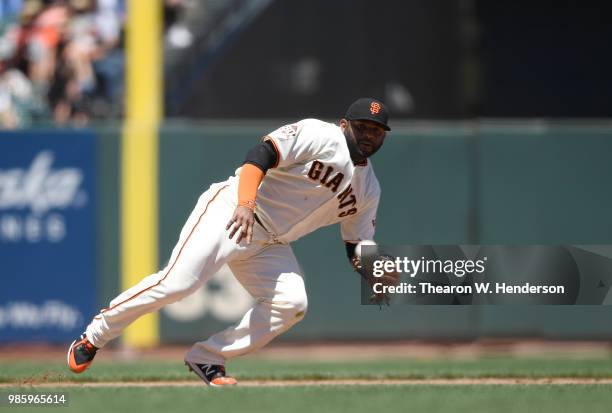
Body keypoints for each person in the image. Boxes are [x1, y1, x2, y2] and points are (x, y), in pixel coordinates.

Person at [67, 97, 392, 386]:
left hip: (271, 243)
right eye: (362, 126)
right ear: (344, 124)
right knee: (176, 284)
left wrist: (372, 269)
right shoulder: (321, 135)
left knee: (292, 304)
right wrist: (245, 204)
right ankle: (95, 336)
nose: (368, 135)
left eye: (376, 131)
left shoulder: (369, 189)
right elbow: (262, 153)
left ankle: (208, 357)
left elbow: (357, 240)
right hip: (233, 211)